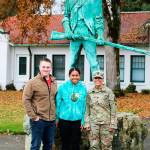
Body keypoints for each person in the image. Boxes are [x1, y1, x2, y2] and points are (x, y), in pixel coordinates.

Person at [23, 58, 57, 150]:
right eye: (43, 67)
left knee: (48, 145)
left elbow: (54, 99)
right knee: (35, 146)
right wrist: (34, 117)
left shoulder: (54, 82)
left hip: (51, 121)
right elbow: (26, 100)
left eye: (48, 67)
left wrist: (55, 116)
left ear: (51, 68)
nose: (45, 69)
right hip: (39, 120)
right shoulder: (32, 82)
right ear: (39, 68)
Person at [62, 0, 104, 73]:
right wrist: (67, 30)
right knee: (72, 63)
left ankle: (98, 83)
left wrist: (100, 35)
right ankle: (71, 83)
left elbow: (99, 18)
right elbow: (66, 16)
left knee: (94, 63)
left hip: (89, 34)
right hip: (74, 35)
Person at [84, 71, 117, 150]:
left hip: (106, 123)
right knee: (93, 146)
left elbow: (113, 109)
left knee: (107, 146)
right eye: (96, 78)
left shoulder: (108, 92)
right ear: (93, 79)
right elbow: (86, 109)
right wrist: (87, 123)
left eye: (100, 78)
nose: (97, 79)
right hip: (93, 124)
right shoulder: (89, 92)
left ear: (103, 79)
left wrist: (113, 124)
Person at [56, 68, 87, 150]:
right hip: (64, 120)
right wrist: (56, 118)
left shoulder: (83, 88)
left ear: (79, 76)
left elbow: (84, 106)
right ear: (69, 76)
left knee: (76, 143)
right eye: (73, 75)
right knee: (65, 143)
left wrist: (83, 120)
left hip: (77, 120)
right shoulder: (62, 87)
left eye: (77, 75)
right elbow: (57, 103)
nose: (75, 77)